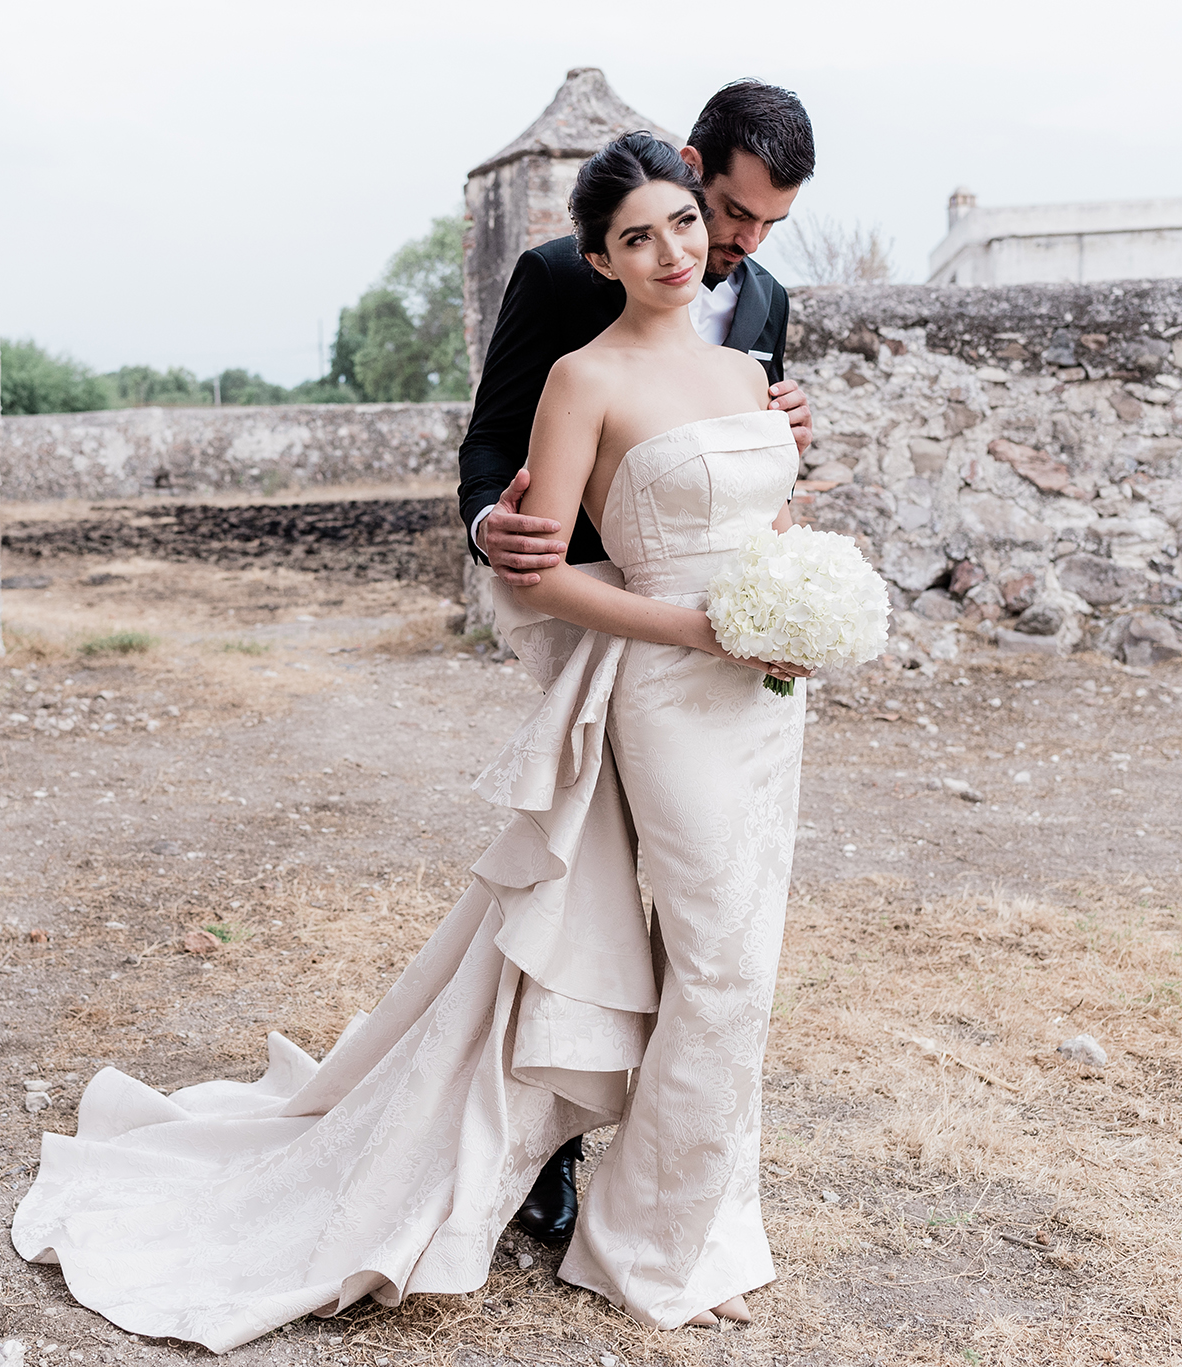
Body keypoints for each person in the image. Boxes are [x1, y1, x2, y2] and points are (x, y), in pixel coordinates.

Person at [8, 129, 809, 1350]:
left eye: (690, 229)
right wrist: (650, 604)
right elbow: (529, 533)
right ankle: (645, 1246)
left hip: (761, 699)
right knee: (709, 960)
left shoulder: (753, 354)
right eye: (644, 233)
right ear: (602, 253)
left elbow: (771, 518)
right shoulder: (577, 365)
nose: (687, 247)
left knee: (741, 960)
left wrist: (796, 610)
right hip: (661, 678)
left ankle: (689, 1226)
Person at [457, 78, 815, 1247]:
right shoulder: (565, 284)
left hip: (746, 677)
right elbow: (493, 441)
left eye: (764, 226)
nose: (730, 245)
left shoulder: (760, 302)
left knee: (720, 938)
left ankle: (681, 1197)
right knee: (585, 906)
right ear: (690, 161)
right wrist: (487, 529)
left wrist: (780, 448)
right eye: (728, 210)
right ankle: (548, 1154)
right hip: (607, 640)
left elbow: (749, 468)